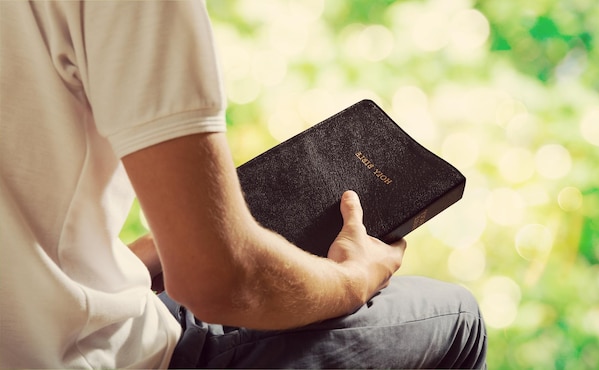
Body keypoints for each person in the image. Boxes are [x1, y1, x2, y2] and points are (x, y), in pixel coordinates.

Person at [0, 1, 487, 368]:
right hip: (83, 355)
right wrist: (353, 279)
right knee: (458, 318)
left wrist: (163, 246)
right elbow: (218, 284)